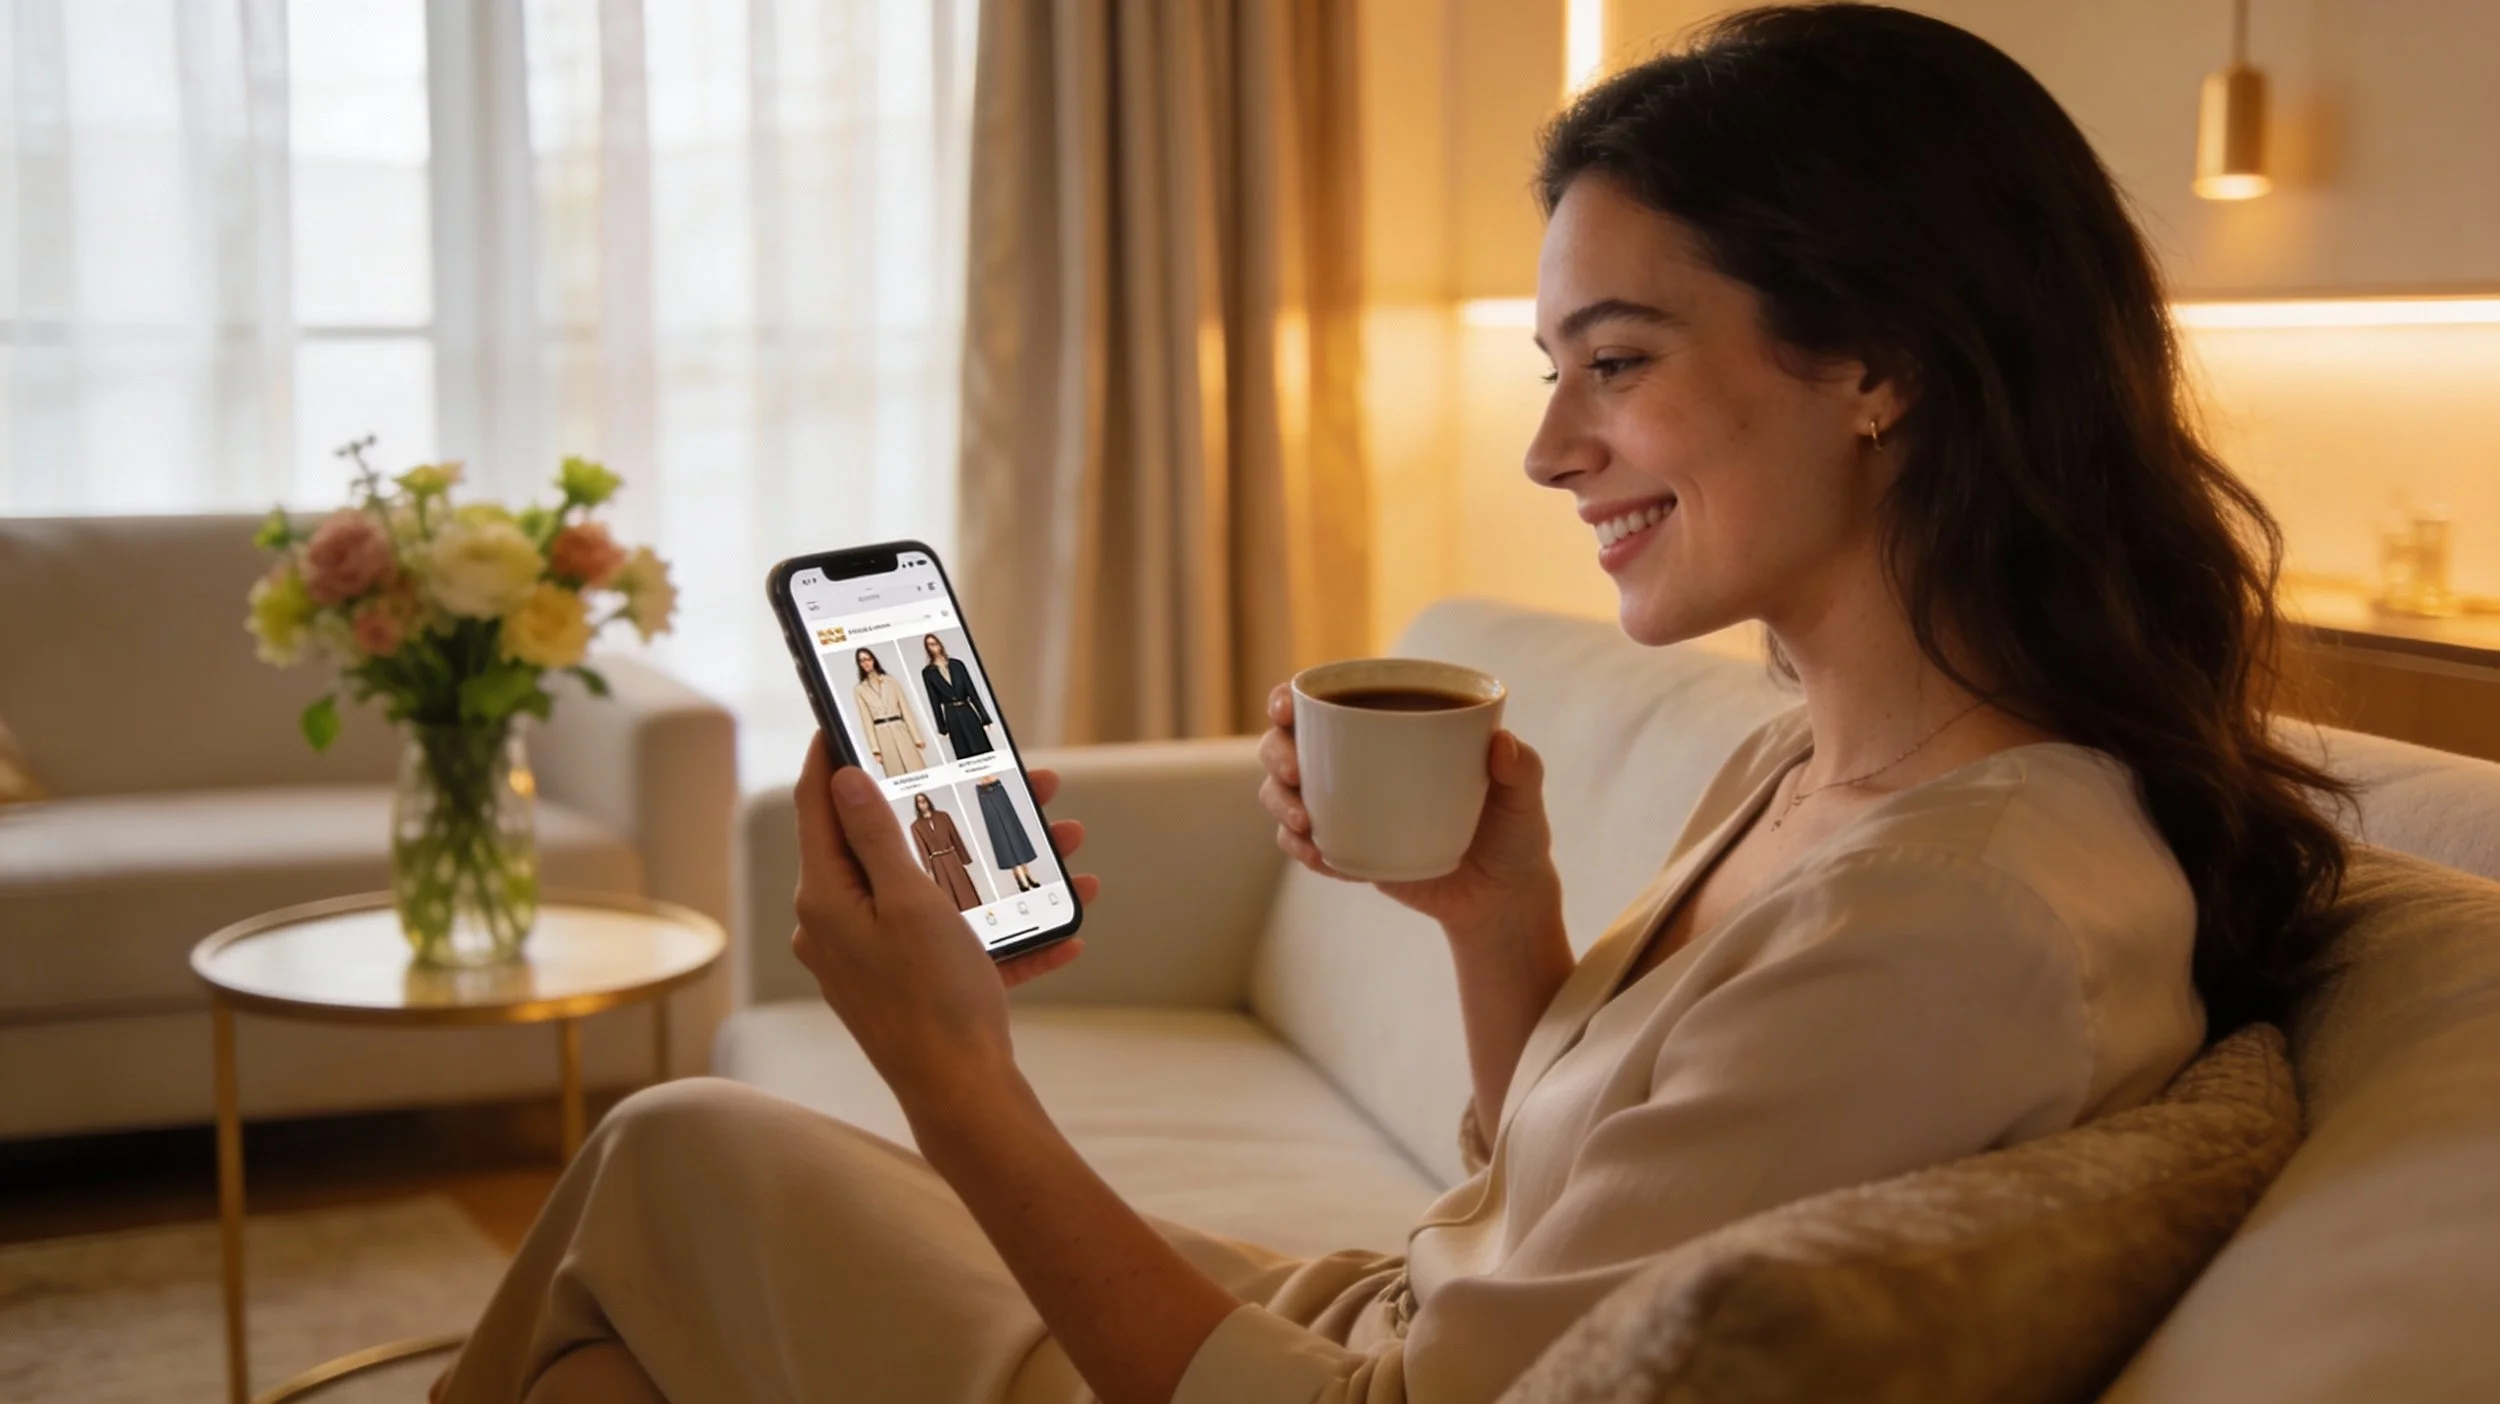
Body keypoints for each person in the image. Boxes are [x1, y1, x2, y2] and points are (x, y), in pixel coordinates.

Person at [434, 7, 2358, 1402]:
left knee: (673, 1161)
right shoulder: (1825, 765)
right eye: (1553, 365)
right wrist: (1496, 918)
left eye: (1614, 361)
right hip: (1365, 1316)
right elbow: (1566, 1213)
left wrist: (951, 1073)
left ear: (1880, 365)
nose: (1548, 449)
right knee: (629, 1315)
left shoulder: (1962, 913)